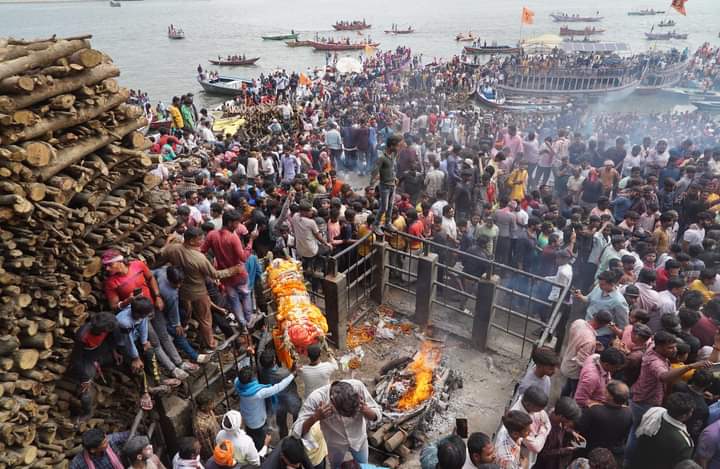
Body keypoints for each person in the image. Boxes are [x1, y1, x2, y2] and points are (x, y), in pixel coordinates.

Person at [161, 227, 242, 349]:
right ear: (192, 241)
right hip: (198, 292)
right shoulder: (199, 258)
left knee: (188, 313)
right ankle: (211, 344)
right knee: (205, 320)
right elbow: (215, 274)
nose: (203, 241)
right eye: (200, 239)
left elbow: (162, 253)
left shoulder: (173, 249)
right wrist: (233, 270)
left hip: (182, 290)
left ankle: (189, 329)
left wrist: (168, 241)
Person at [293, 380, 381, 468]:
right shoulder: (316, 398)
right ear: (332, 403)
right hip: (335, 445)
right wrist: (315, 417)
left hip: (359, 440)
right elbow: (296, 432)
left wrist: (368, 411)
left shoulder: (358, 387)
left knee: (363, 466)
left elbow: (377, 414)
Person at [201, 209, 256, 328]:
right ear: (230, 223)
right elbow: (243, 257)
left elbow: (202, 251)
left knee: (233, 299)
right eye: (237, 223)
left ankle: (242, 323)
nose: (238, 226)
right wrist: (251, 241)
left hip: (225, 276)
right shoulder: (233, 237)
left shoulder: (211, 235)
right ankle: (249, 320)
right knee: (246, 294)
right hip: (238, 273)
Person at [235, 365, 295, 450]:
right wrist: (292, 374)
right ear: (251, 380)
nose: (255, 377)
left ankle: (256, 447)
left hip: (247, 418)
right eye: (253, 376)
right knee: (260, 440)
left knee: (251, 436)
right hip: (257, 422)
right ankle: (262, 452)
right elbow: (278, 387)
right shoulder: (258, 393)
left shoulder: (237, 384)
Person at [630, 392, 696, 469]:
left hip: (638, 461)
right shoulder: (684, 442)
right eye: (691, 411)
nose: (692, 413)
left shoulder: (654, 411)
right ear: (684, 416)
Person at [559, 310, 613, 397]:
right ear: (603, 325)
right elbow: (581, 362)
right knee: (575, 392)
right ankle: (566, 408)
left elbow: (577, 339)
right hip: (575, 371)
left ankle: (560, 403)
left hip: (567, 361)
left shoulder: (579, 322)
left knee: (567, 387)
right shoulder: (589, 340)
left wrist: (593, 344)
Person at [577, 380, 632, 464]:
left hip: (590, 453)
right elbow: (626, 436)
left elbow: (581, 429)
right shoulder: (629, 413)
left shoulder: (594, 410)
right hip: (613, 455)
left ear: (610, 396)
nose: (604, 392)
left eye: (606, 391)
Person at [505, 385, 550, 467]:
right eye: (539, 409)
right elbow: (536, 447)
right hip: (523, 456)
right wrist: (543, 431)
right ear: (528, 404)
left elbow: (548, 423)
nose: (540, 411)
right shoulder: (516, 418)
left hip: (529, 455)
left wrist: (540, 435)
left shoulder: (533, 407)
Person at [533, 397, 583, 469]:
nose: (570, 423)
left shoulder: (558, 418)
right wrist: (564, 450)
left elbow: (563, 428)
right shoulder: (548, 429)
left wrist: (572, 432)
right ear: (561, 416)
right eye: (569, 420)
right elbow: (544, 453)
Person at [371, 134, 404, 233]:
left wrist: (394, 177)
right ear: (391, 146)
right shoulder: (382, 158)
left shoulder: (393, 155)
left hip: (392, 184)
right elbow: (375, 171)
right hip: (384, 186)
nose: (399, 148)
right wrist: (372, 184)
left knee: (390, 205)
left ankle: (388, 223)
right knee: (384, 207)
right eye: (398, 145)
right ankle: (376, 224)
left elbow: (392, 169)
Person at [192, 391, 220, 461]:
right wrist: (215, 457)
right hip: (215, 452)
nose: (213, 405)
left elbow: (213, 419)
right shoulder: (200, 426)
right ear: (203, 407)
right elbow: (206, 446)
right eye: (211, 404)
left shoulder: (208, 410)